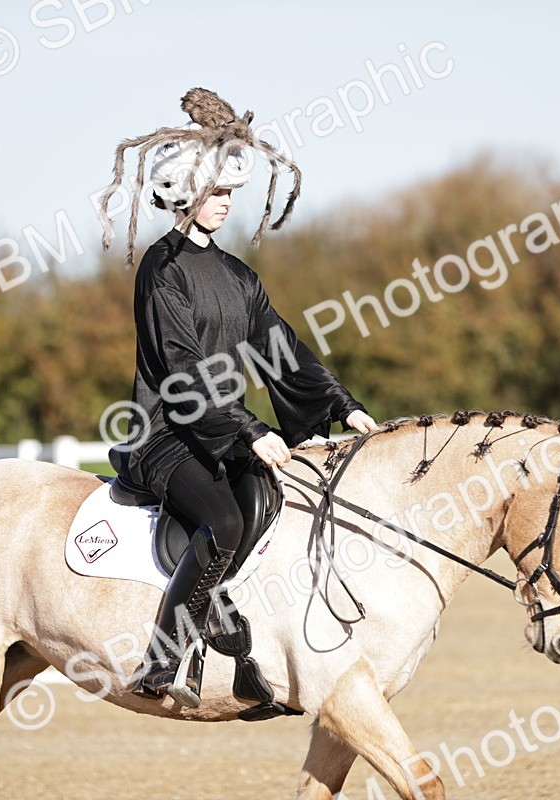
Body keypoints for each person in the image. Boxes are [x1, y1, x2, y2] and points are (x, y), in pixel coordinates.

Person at [98, 88, 375, 703]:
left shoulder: (237, 274)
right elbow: (182, 370)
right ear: (183, 192)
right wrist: (251, 430)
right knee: (223, 519)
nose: (225, 202)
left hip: (222, 434)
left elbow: (280, 346)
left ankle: (245, 652)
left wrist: (341, 404)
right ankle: (162, 662)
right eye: (215, 192)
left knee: (272, 502)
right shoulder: (160, 269)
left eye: (229, 193)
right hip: (168, 434)